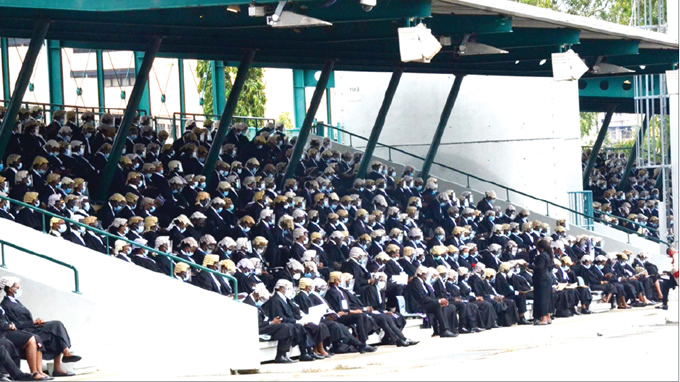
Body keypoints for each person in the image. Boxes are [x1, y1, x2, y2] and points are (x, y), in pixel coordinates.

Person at [0, 277, 80, 377]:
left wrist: (36, 322)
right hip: (25, 329)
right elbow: (16, 324)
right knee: (41, 335)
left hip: (31, 326)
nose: (19, 289)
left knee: (56, 325)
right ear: (11, 289)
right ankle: (37, 371)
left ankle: (63, 356)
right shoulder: (5, 305)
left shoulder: (16, 302)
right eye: (17, 287)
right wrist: (33, 323)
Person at [532, 239, 553, 325]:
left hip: (541, 279)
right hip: (547, 278)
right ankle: (548, 316)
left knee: (542, 298)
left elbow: (539, 268)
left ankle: (543, 318)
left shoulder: (541, 256)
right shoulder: (549, 255)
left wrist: (529, 266)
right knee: (547, 298)